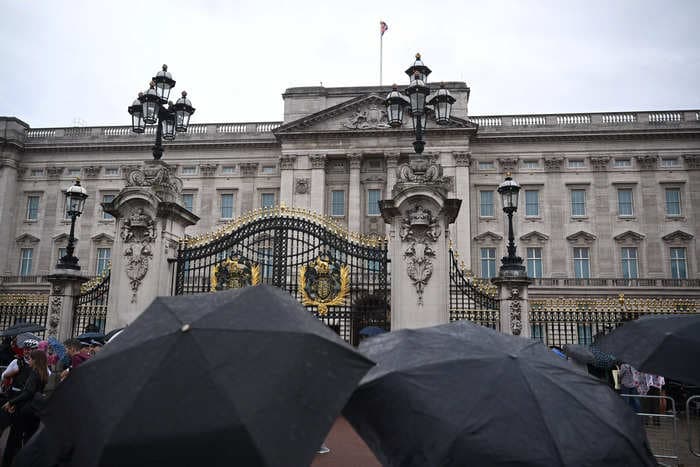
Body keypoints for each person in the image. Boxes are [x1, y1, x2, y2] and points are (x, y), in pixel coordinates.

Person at [1, 349, 49, 467]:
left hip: (25, 410)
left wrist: (11, 402)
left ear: (35, 360)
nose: (29, 361)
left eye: (31, 359)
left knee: (14, 438)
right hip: (35, 411)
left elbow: (28, 392)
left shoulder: (34, 373)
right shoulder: (44, 373)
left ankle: (9, 462)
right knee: (29, 439)